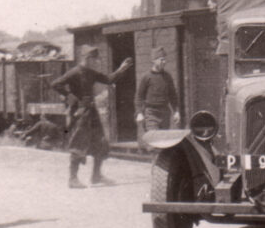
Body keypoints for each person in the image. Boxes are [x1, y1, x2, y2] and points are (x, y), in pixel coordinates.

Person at [50, 45, 133, 188]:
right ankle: (73, 179)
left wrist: (121, 69)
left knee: (100, 142)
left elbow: (108, 79)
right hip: (81, 113)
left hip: (91, 112)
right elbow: (55, 84)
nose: (96, 62)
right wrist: (71, 98)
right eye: (94, 59)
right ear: (87, 58)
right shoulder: (74, 72)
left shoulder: (91, 73)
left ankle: (96, 176)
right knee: (78, 143)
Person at [135, 47, 181, 133]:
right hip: (151, 113)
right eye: (162, 60)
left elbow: (173, 95)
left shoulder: (168, 76)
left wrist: (176, 112)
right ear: (154, 60)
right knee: (153, 140)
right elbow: (139, 96)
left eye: (165, 60)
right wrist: (139, 113)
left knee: (163, 142)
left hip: (165, 113)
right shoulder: (147, 77)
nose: (164, 62)